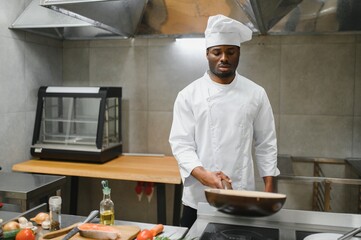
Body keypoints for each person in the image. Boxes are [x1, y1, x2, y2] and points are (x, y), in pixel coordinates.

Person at [169, 14, 280, 228]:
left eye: (230, 52)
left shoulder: (256, 93)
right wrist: (204, 176)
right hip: (199, 198)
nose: (224, 58)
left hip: (241, 194)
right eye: (217, 52)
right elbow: (181, 145)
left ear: (239, 53)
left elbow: (266, 144)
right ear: (207, 54)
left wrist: (269, 192)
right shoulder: (188, 95)